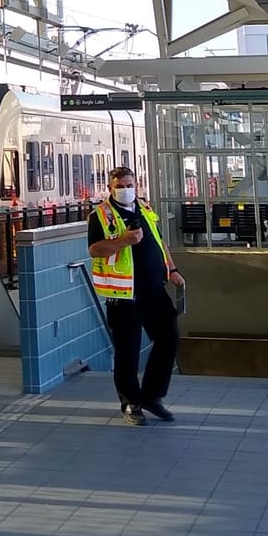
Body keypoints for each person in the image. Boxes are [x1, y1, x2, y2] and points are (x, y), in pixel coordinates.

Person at [87, 165, 182, 424]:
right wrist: (125, 240)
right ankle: (131, 402)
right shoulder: (101, 215)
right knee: (127, 350)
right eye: (121, 186)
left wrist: (172, 269)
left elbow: (160, 242)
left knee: (168, 338)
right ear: (110, 188)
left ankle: (152, 396)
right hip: (123, 293)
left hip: (153, 288)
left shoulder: (146, 209)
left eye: (130, 185)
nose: (127, 190)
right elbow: (95, 249)